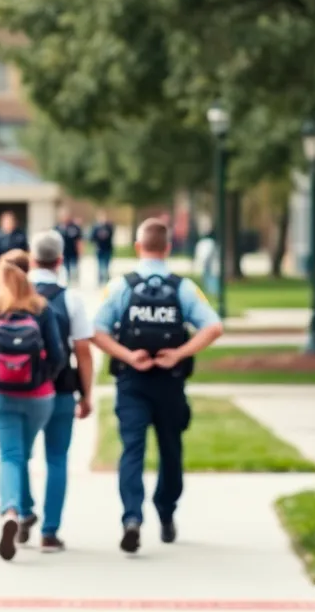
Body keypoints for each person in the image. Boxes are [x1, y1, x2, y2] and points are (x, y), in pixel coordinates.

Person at [93, 218, 223, 554]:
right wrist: (178, 354)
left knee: (132, 450)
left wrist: (128, 355)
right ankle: (166, 512)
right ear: (167, 248)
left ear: (138, 247)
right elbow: (213, 327)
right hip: (170, 381)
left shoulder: (122, 285)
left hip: (132, 381)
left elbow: (95, 330)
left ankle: (131, 518)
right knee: (171, 450)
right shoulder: (183, 287)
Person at [0, 250, 67, 561]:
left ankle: (12, 510)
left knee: (11, 456)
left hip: (1, 393)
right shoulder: (41, 306)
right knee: (22, 454)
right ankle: (25, 513)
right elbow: (58, 354)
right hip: (39, 396)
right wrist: (45, 377)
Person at [23, 230, 95, 552]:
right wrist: (87, 394)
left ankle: (21, 512)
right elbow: (83, 351)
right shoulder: (71, 299)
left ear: (31, 258)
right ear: (60, 261)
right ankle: (50, 532)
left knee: (17, 455)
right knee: (56, 458)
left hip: (20, 388)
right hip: (61, 387)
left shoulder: (13, 295)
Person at [56, 210, 83, 284]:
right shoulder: (58, 227)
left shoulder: (75, 227)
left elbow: (79, 241)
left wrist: (80, 251)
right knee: (65, 269)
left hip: (73, 252)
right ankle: (67, 282)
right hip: (63, 253)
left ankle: (75, 282)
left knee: (74, 268)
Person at [89, 212, 115, 285]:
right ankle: (100, 280)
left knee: (106, 265)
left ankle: (106, 279)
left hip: (107, 249)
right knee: (100, 265)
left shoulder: (109, 227)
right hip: (99, 249)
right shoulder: (96, 228)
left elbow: (111, 235)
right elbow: (91, 238)